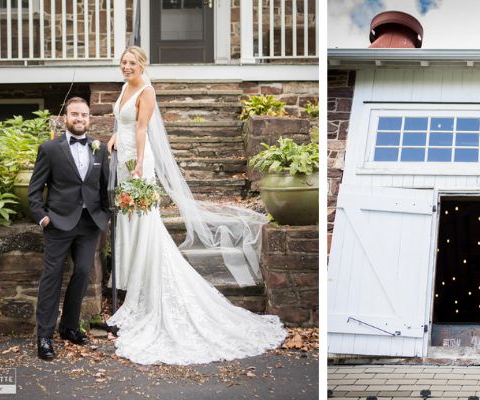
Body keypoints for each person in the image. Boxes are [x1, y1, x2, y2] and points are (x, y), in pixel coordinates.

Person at [104, 46, 286, 365]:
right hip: (123, 159)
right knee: (129, 222)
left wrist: (139, 165)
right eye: (123, 62)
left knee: (145, 223)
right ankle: (131, 282)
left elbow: (143, 128)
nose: (126, 67)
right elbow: (124, 123)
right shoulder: (123, 88)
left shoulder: (147, 91)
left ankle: (146, 287)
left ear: (142, 65)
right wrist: (114, 137)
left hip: (138, 165)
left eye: (132, 63)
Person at [28, 97, 110, 361]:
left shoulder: (100, 148)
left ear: (89, 118)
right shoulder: (50, 148)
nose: (80, 119)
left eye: (84, 115)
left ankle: (70, 327)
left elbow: (103, 185)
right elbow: (34, 190)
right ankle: (44, 336)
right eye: (75, 114)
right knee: (51, 278)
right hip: (59, 223)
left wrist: (105, 214)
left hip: (89, 224)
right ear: (66, 117)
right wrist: (43, 217)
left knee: (84, 272)